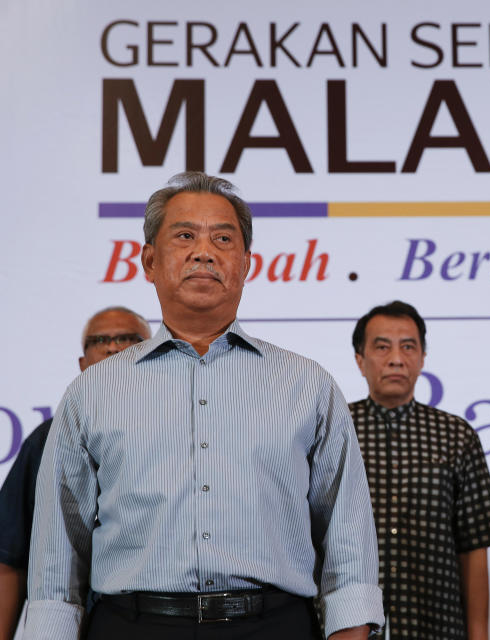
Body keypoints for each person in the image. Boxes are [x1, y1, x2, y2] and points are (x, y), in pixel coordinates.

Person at [24, 172, 384, 640]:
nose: (203, 251)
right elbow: (57, 552)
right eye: (185, 235)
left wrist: (352, 630)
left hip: (274, 626)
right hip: (133, 627)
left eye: (223, 238)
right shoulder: (93, 391)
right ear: (149, 261)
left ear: (246, 263)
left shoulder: (306, 385)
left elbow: (348, 536)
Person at [0, 307, 151, 640]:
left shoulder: (176, 434)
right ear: (82, 365)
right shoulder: (47, 439)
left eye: (128, 338)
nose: (112, 347)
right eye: (99, 341)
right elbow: (12, 559)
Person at [349, 300, 490, 640]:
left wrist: (478, 634)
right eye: (381, 347)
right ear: (360, 360)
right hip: (349, 628)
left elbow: (474, 546)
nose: (396, 359)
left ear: (422, 359)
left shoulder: (456, 436)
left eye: (408, 347)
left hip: (436, 627)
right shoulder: (334, 429)